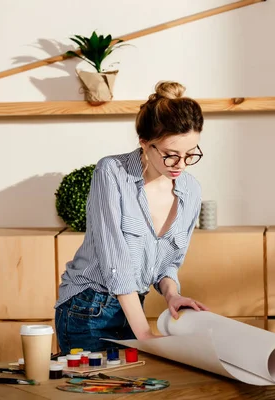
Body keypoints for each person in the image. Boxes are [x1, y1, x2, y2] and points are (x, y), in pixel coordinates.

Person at [54, 81, 209, 354]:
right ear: (144, 143)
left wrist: (172, 295)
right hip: (88, 308)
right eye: (171, 155)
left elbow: (167, 264)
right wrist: (145, 334)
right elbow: (116, 263)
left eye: (190, 154)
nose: (181, 165)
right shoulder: (112, 172)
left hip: (134, 307)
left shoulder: (190, 190)